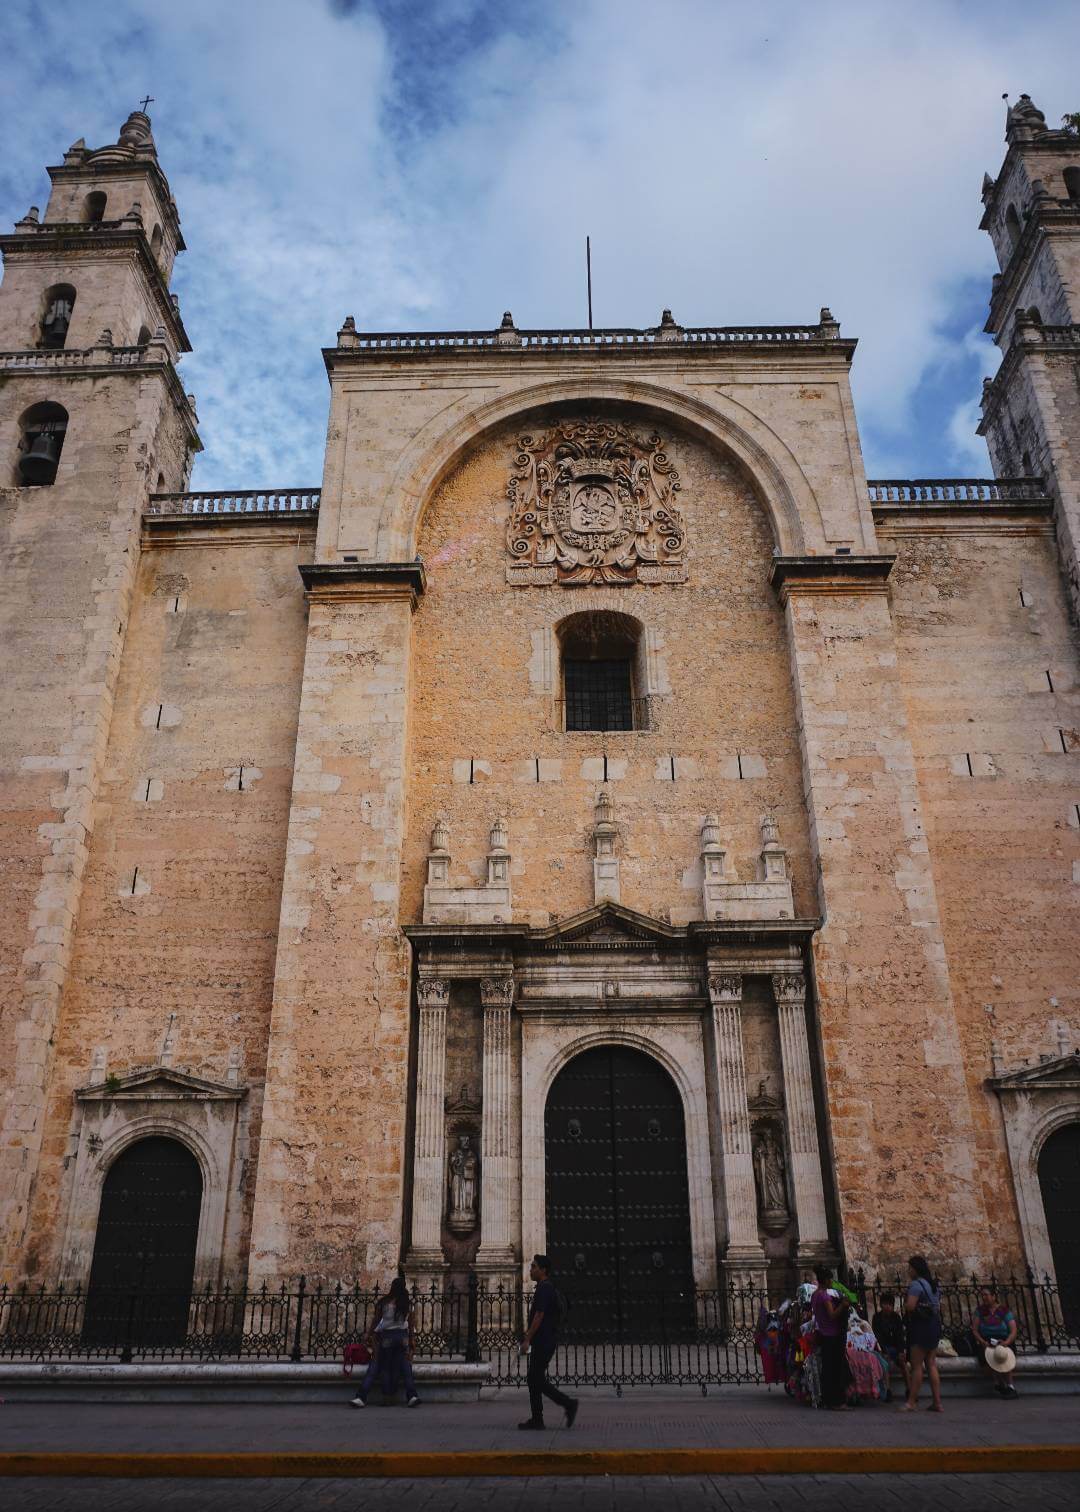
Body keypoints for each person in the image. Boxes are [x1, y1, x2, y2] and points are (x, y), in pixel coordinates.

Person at [518, 1254, 578, 1430]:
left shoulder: (545, 1289)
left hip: (544, 1340)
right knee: (533, 1379)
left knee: (535, 1379)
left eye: (534, 1267)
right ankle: (537, 1419)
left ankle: (568, 1404)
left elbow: (539, 1315)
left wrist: (527, 1338)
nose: (531, 1270)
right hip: (544, 1340)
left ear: (543, 1270)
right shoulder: (545, 1287)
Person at [350, 1275, 420, 1408]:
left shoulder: (384, 1302)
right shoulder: (406, 1303)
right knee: (405, 1368)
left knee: (385, 1367)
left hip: (387, 1337)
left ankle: (371, 1397)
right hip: (402, 1338)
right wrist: (412, 1341)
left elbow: (376, 1320)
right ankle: (412, 1395)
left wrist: (369, 1334)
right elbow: (411, 1324)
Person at [901, 1254, 942, 1413]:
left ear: (916, 1269)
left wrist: (905, 1303)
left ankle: (911, 1402)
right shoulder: (933, 1285)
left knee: (917, 1366)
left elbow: (910, 1307)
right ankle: (937, 1402)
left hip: (921, 1326)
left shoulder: (916, 1285)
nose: (908, 1271)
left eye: (910, 1268)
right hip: (933, 1325)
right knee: (931, 1364)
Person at [810, 1265, 852, 1410]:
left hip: (823, 1334)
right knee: (836, 1370)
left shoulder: (814, 1295)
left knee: (827, 1369)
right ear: (827, 1280)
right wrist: (843, 1305)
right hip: (833, 1336)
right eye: (830, 1280)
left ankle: (827, 1399)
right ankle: (838, 1401)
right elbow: (833, 1315)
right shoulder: (824, 1295)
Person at [971, 1286, 1019, 1397]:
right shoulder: (980, 1311)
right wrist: (982, 1341)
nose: (984, 1297)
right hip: (987, 1340)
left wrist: (1007, 1342)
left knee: (1003, 1355)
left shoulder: (1004, 1311)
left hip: (1003, 1339)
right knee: (987, 1358)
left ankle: (1010, 1386)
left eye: (986, 1295)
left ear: (993, 1296)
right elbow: (974, 1329)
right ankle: (1000, 1383)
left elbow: (1013, 1330)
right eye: (982, 1295)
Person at [872, 1293, 910, 1401]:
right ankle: (888, 1390)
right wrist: (883, 1350)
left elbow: (900, 1336)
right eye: (885, 1304)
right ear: (881, 1305)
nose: (887, 1307)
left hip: (895, 1347)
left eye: (889, 1305)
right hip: (884, 1347)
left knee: (903, 1363)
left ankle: (909, 1389)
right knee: (885, 1363)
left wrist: (901, 1351)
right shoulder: (877, 1318)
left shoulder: (896, 1318)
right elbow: (877, 1336)